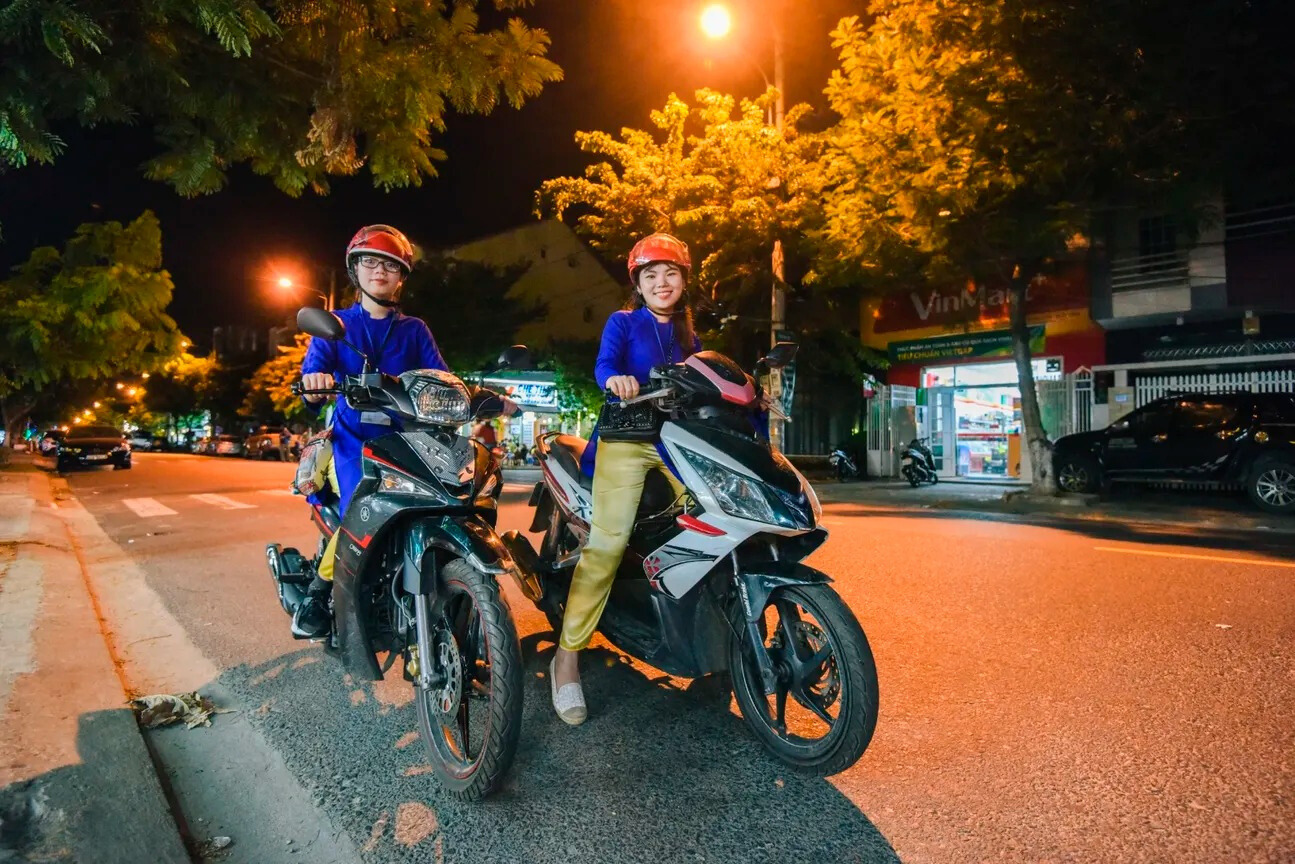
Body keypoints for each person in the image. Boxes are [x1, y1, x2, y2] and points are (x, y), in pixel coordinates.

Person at [550, 232, 701, 725]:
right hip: (628, 440)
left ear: (683, 281)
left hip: (676, 443)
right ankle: (566, 659)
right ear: (637, 283)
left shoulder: (688, 335)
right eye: (651, 275)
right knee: (608, 545)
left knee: (714, 520)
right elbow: (604, 366)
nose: (662, 282)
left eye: (670, 273)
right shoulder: (623, 322)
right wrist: (615, 380)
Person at [293, 224, 449, 639]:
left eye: (390, 265)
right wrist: (317, 381)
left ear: (401, 278)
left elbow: (440, 376)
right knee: (360, 514)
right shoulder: (336, 324)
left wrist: (468, 394)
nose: (379, 270)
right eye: (370, 262)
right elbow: (315, 370)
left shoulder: (415, 329)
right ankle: (318, 589)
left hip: (406, 442)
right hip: (351, 441)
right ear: (355, 270)